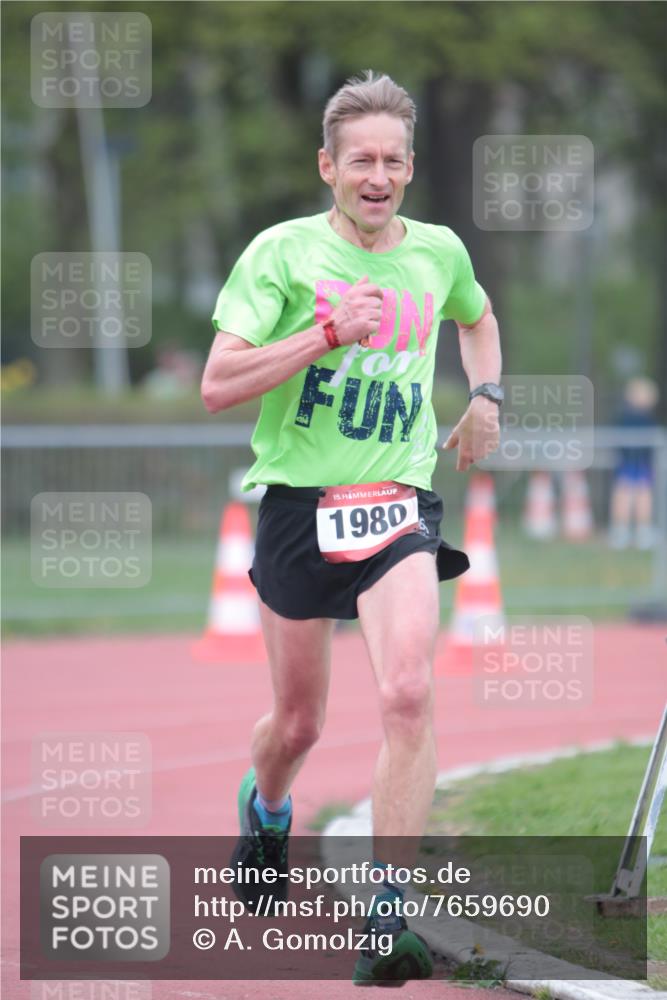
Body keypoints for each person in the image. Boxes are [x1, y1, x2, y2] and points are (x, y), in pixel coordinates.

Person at [201, 70, 502, 985]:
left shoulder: (437, 252)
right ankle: (265, 806)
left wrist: (486, 396)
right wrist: (323, 337)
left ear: (409, 170)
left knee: (408, 692)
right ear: (327, 167)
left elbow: (477, 317)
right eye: (359, 160)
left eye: (393, 161)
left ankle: (388, 915)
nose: (377, 176)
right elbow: (218, 384)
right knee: (298, 723)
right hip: (298, 506)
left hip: (396, 504)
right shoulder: (280, 255)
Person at [609, 376, 658, 550]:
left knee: (643, 497)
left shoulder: (648, 420)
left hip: (642, 466)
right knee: (623, 496)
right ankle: (620, 532)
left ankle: (643, 532)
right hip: (627, 465)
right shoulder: (625, 418)